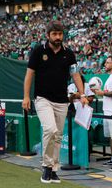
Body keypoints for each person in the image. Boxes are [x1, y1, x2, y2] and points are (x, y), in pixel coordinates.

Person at [22, 20, 88, 184]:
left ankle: (53, 169)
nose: (58, 37)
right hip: (43, 98)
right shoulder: (38, 51)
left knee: (58, 136)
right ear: (48, 35)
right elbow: (29, 75)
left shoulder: (69, 53)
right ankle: (46, 165)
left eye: (60, 34)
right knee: (50, 130)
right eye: (54, 34)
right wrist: (25, 96)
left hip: (62, 100)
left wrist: (82, 94)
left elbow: (76, 75)